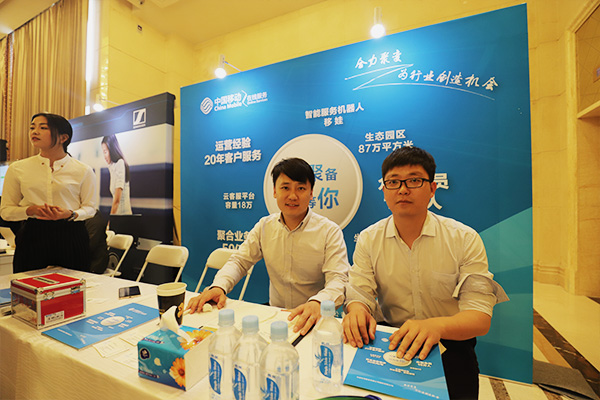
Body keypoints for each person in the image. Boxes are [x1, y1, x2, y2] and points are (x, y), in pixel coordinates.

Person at [343, 146, 508, 400]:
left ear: (432, 188)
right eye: (393, 182)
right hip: (392, 343)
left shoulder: (464, 238)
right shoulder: (369, 238)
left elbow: (479, 318)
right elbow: (360, 292)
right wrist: (357, 310)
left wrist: (434, 326)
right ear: (384, 190)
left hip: (449, 346)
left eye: (414, 180)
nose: (402, 189)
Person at [186, 157, 350, 335]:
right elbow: (240, 262)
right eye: (285, 188)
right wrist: (219, 286)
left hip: (314, 319)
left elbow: (338, 278)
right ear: (274, 191)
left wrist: (318, 302)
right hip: (275, 316)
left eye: (301, 188)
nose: (292, 196)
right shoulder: (265, 226)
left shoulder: (329, 231)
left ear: (311, 193)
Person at [0, 113, 97, 273]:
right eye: (32, 127)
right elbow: (6, 211)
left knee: (73, 284)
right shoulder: (18, 168)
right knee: (27, 283)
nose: (35, 131)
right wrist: (30, 210)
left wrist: (70, 214)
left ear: (63, 137)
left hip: (71, 234)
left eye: (43, 127)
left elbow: (90, 208)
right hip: (33, 234)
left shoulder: (83, 170)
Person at [101, 135, 132, 215]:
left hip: (124, 217)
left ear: (112, 150)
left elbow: (117, 201)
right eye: (103, 152)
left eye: (105, 152)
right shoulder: (112, 167)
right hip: (118, 216)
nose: (104, 156)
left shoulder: (120, 163)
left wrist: (111, 219)